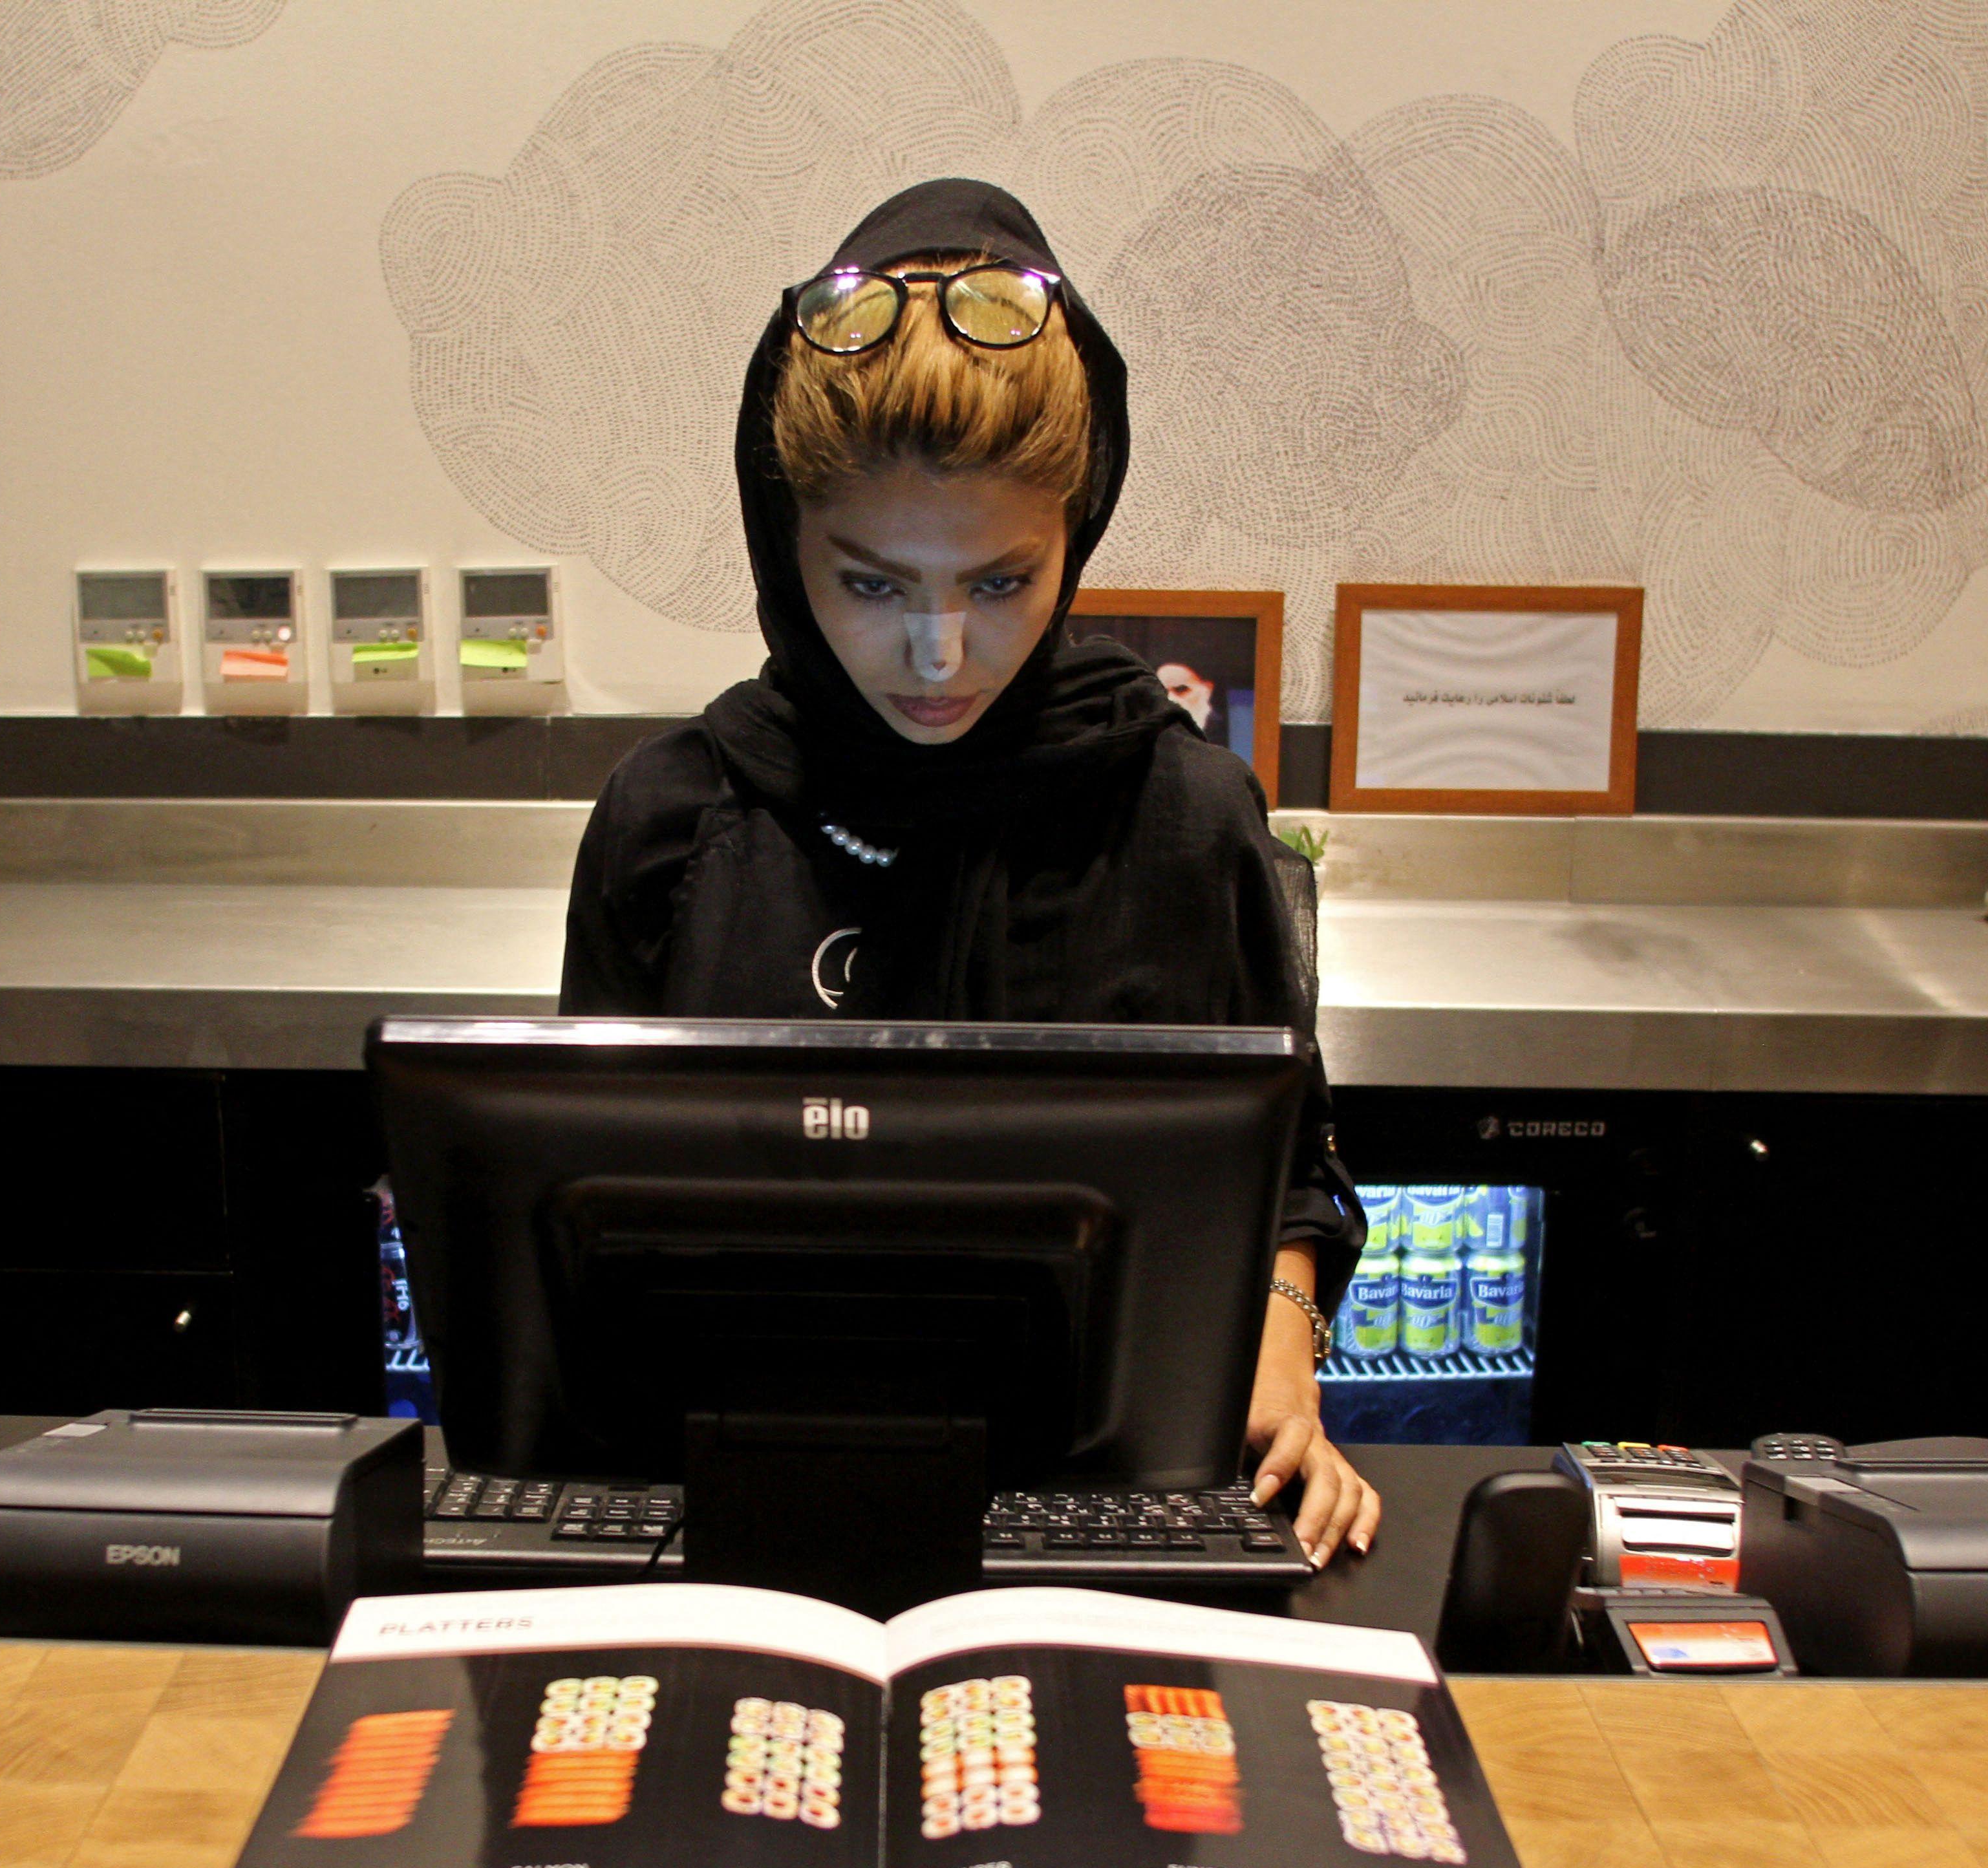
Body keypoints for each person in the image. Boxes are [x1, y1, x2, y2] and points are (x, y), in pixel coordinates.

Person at [561, 178, 1379, 1565]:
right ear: (782, 542)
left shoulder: (1182, 815)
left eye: (999, 583)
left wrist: (1280, 1349)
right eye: (872, 586)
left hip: (1112, 1506)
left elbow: (1288, 1170)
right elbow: (569, 1211)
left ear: (1078, 530)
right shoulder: (672, 824)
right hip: (737, 1507)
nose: (939, 659)